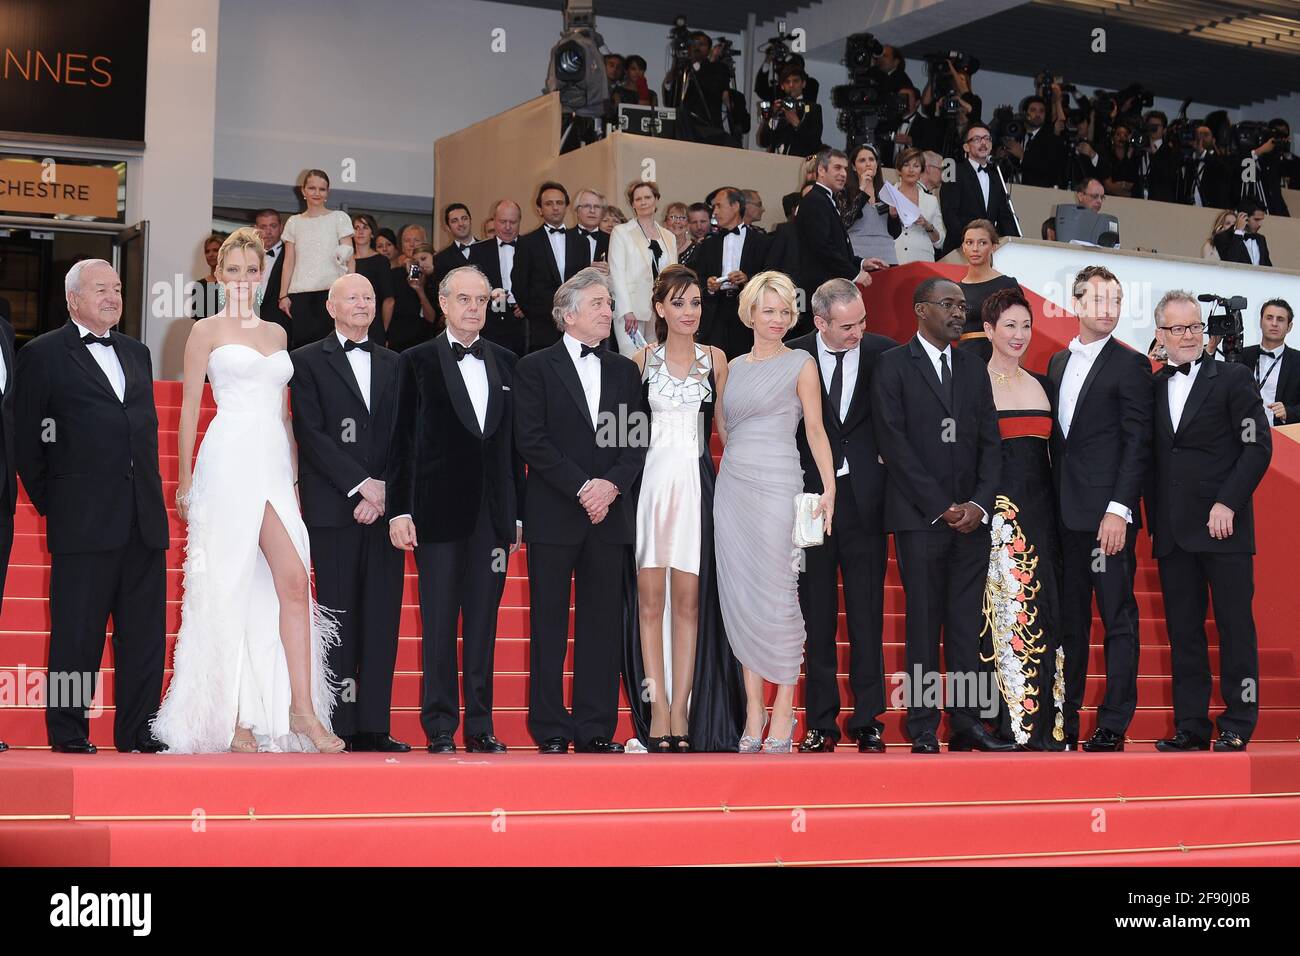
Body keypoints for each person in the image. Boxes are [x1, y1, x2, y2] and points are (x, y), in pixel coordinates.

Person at [153, 229, 343, 754]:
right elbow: (190, 406)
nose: (241, 279)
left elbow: (284, 416)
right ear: (219, 276)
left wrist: (295, 479)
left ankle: (301, 709)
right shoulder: (204, 331)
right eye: (231, 270)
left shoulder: (279, 335)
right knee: (229, 585)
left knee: (293, 581)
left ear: (263, 274)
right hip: (228, 459)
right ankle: (230, 714)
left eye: (251, 270)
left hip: (273, 466)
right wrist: (186, 479)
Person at [14, 260, 168, 754]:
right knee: (75, 637)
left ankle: (138, 730)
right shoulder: (41, 354)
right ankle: (68, 730)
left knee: (143, 637)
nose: (112, 297)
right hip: (81, 519)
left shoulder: (138, 353)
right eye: (101, 289)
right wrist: (58, 503)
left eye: (118, 289)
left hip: (142, 518)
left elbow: (143, 431)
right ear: (73, 299)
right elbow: (27, 441)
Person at [389, 265, 524, 754]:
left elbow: (513, 447)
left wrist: (516, 513)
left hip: (492, 517)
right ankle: (441, 726)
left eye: (482, 300)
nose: (473, 308)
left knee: (485, 625)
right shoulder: (415, 361)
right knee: (440, 623)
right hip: (436, 514)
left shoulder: (509, 361)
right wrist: (399, 510)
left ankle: (481, 727)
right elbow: (401, 443)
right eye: (464, 299)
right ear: (443, 303)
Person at [872, 277, 1010, 754]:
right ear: (920, 310)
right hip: (920, 519)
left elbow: (992, 442)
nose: (959, 312)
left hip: (972, 519)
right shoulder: (892, 366)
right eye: (948, 304)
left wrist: (977, 504)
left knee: (966, 623)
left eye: (962, 304)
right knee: (924, 624)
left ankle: (967, 724)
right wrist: (941, 506)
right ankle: (924, 726)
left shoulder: (974, 369)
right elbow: (894, 444)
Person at [514, 268, 648, 754]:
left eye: (608, 303)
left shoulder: (623, 370)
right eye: (597, 304)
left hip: (608, 516)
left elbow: (634, 440)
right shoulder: (534, 367)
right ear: (568, 314)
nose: (607, 311)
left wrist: (609, 486)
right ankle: (550, 728)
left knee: (602, 625)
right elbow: (532, 439)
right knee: (548, 624)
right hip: (556, 513)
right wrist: (582, 487)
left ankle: (595, 730)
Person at [714, 271, 836, 754]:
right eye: (769, 310)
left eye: (785, 311)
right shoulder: (732, 366)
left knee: (781, 596)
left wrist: (828, 487)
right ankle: (753, 710)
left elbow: (816, 430)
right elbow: (723, 428)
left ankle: (784, 708)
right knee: (741, 595)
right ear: (750, 313)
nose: (778, 319)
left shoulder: (802, 362)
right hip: (735, 489)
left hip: (780, 485)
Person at [625, 265, 744, 752]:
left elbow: (728, 432)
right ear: (659, 308)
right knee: (650, 604)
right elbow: (625, 435)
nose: (688, 312)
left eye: (695, 302)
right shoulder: (638, 360)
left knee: (690, 605)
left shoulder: (716, 359)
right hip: (651, 487)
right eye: (678, 303)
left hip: (696, 487)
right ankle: (657, 708)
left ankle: (682, 709)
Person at [1149, 290, 1271, 753]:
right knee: (1184, 633)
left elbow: (1258, 447)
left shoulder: (1234, 379)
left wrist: (1228, 503)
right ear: (1160, 334)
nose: (1188, 336)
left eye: (1195, 327)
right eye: (1178, 328)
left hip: (1225, 529)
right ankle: (1191, 726)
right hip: (1176, 533)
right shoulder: (1155, 384)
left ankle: (1239, 721)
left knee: (1235, 628)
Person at [288, 273, 406, 752]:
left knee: (382, 617)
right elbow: (311, 433)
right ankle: (335, 723)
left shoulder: (397, 364)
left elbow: (404, 435)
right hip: (335, 507)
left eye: (369, 297)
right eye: (352, 297)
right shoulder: (306, 361)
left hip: (386, 512)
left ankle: (375, 725)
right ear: (332, 307)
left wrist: (384, 494)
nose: (362, 304)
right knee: (336, 617)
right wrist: (360, 487)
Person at [1047, 264, 1153, 752]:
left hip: (1107, 518)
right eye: (1098, 301)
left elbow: (1138, 444)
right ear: (1077, 304)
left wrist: (1119, 510)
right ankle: (1063, 724)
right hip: (1064, 518)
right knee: (1068, 624)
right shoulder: (1057, 363)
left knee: (1117, 618)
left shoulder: (1130, 365)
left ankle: (1113, 723)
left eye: (1114, 301)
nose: (1107, 310)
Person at [791, 279, 895, 753]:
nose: (859, 332)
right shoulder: (793, 355)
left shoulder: (884, 353)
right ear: (820, 323)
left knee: (866, 610)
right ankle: (821, 722)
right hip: (811, 499)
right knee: (816, 612)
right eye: (848, 326)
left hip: (864, 498)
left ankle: (869, 719)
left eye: (863, 322)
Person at [980, 287, 1065, 749]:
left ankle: (1046, 726)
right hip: (995, 518)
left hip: (1043, 516)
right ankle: (998, 724)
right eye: (1009, 326)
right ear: (989, 329)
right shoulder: (971, 383)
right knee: (998, 615)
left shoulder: (1043, 383)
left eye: (1026, 326)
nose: (1019, 335)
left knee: (1045, 613)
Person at [796, 149, 881, 332]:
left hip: (827, 288)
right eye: (837, 168)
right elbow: (822, 247)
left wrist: (861, 262)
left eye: (845, 169)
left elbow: (836, 245)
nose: (843, 174)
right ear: (821, 170)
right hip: (820, 291)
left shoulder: (827, 199)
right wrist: (855, 274)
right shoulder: (815, 200)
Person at [277, 169, 355, 348]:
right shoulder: (294, 222)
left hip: (332, 292)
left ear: (328, 192)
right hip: (300, 293)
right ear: (303, 191)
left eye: (322, 189)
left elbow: (350, 257)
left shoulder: (339, 218)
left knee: (331, 346)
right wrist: (283, 295)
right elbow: (288, 261)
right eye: (312, 188)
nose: (317, 193)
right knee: (303, 348)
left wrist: (350, 293)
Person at [513, 181, 590, 353]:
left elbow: (585, 282)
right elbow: (519, 284)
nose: (555, 207)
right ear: (539, 209)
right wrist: (537, 314)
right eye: (549, 203)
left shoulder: (581, 242)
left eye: (559, 203)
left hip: (577, 322)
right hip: (542, 326)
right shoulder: (527, 243)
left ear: (567, 207)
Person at [697, 186, 769, 358]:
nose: (714, 212)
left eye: (719, 206)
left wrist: (747, 278)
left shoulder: (762, 242)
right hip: (716, 313)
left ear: (736, 206)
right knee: (714, 362)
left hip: (747, 311)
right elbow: (697, 276)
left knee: (746, 361)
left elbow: (770, 275)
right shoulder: (708, 244)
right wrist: (708, 285)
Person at [609, 180, 678, 355]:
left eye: (648, 197)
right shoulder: (621, 232)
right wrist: (626, 311)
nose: (643, 202)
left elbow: (674, 275)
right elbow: (616, 274)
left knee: (658, 361)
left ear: (656, 200)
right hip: (631, 311)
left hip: (661, 310)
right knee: (633, 360)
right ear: (632, 204)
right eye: (638, 199)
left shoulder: (669, 236)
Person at [940, 122, 1020, 257]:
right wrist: (969, 243)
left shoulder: (996, 176)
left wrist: (1015, 244)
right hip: (959, 250)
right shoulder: (953, 170)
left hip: (987, 253)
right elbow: (950, 214)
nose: (983, 143)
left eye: (987, 138)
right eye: (977, 139)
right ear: (966, 146)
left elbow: (1005, 217)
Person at [956, 220, 1021, 363]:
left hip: (999, 359)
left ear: (994, 247)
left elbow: (1020, 329)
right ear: (963, 247)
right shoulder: (956, 290)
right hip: (963, 360)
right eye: (969, 242)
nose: (975, 248)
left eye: (982, 243)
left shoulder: (1007, 285)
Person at [468, 200, 527, 355]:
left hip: (524, 321)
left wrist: (527, 304)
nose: (507, 227)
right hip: (491, 322)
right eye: (502, 222)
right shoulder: (478, 250)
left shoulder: (532, 247)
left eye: (512, 222)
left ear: (520, 221)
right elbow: (472, 286)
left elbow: (539, 282)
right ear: (494, 221)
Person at [1235, 298, 1300, 425]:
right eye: (1269, 318)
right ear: (1260, 322)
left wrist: (1289, 412)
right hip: (1245, 433)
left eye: (1280, 319)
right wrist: (1211, 348)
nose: (1274, 323)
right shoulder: (1241, 355)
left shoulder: (1298, 360)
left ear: (1289, 326)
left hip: (1283, 436)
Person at [845, 143, 899, 265]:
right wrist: (862, 190)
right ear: (854, 167)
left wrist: (894, 216)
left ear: (877, 164)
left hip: (887, 256)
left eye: (871, 159)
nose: (868, 164)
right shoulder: (845, 192)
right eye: (862, 160)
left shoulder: (887, 191)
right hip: (858, 257)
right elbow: (845, 222)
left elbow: (895, 233)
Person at [890, 148, 945, 264]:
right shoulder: (889, 195)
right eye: (906, 165)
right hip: (894, 257)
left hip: (923, 260)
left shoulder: (931, 200)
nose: (911, 170)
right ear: (899, 170)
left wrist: (927, 225)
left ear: (921, 171)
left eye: (916, 166)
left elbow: (940, 242)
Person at [350, 213, 396, 346]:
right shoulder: (346, 260)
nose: (360, 231)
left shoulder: (381, 261)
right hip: (348, 324)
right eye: (356, 227)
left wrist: (383, 329)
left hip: (373, 324)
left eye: (365, 227)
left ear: (372, 232)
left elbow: (389, 300)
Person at [757, 66, 823, 157]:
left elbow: (814, 143)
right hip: (776, 163)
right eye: (787, 82)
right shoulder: (779, 108)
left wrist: (797, 123)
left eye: (795, 81)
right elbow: (764, 141)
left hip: (800, 164)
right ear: (782, 86)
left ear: (803, 84)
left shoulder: (813, 108)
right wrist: (772, 117)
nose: (791, 85)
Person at [1004, 95, 1065, 188]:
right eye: (1033, 110)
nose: (1037, 115)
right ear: (1025, 113)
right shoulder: (1017, 134)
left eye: (1041, 111)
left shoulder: (1051, 139)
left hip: (1039, 193)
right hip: (1012, 190)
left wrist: (1022, 156)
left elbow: (1050, 169)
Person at [387, 242, 438, 352]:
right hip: (404, 340)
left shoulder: (438, 280)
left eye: (424, 258)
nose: (421, 264)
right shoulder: (404, 278)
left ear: (434, 256)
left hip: (429, 340)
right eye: (416, 262)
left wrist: (420, 291)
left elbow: (431, 318)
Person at [1179, 125, 1231, 208]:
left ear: (1213, 140)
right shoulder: (1188, 160)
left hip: (1210, 210)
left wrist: (1202, 152)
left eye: (1205, 135)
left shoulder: (1221, 160)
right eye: (1198, 135)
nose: (1201, 138)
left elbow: (1223, 171)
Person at [253, 210, 287, 333]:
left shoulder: (290, 255)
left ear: (281, 227)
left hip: (279, 323)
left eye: (273, 226)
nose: (268, 231)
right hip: (249, 322)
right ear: (256, 229)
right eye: (263, 227)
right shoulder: (247, 254)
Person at [1135, 110, 1179, 203]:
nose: (1153, 128)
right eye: (1150, 125)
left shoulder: (1170, 152)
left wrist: (1155, 154)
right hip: (1139, 201)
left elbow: (1168, 177)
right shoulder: (1140, 149)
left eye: (1156, 126)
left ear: (1164, 130)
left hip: (1161, 202)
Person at [1214, 198, 1272, 266]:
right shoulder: (1222, 237)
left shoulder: (1261, 239)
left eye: (1261, 220)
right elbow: (1230, 261)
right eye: (1256, 219)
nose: (1260, 224)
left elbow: (1268, 266)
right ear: (1243, 217)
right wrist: (1238, 232)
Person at [434, 203, 476, 277]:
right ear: (448, 228)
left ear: (470, 221)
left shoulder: (489, 249)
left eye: (464, 218)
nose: (461, 224)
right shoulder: (441, 259)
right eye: (454, 221)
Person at [189, 234, 225, 319]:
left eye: (215, 250)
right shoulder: (199, 285)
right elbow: (198, 318)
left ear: (224, 252)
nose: (211, 254)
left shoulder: (233, 282)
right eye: (207, 251)